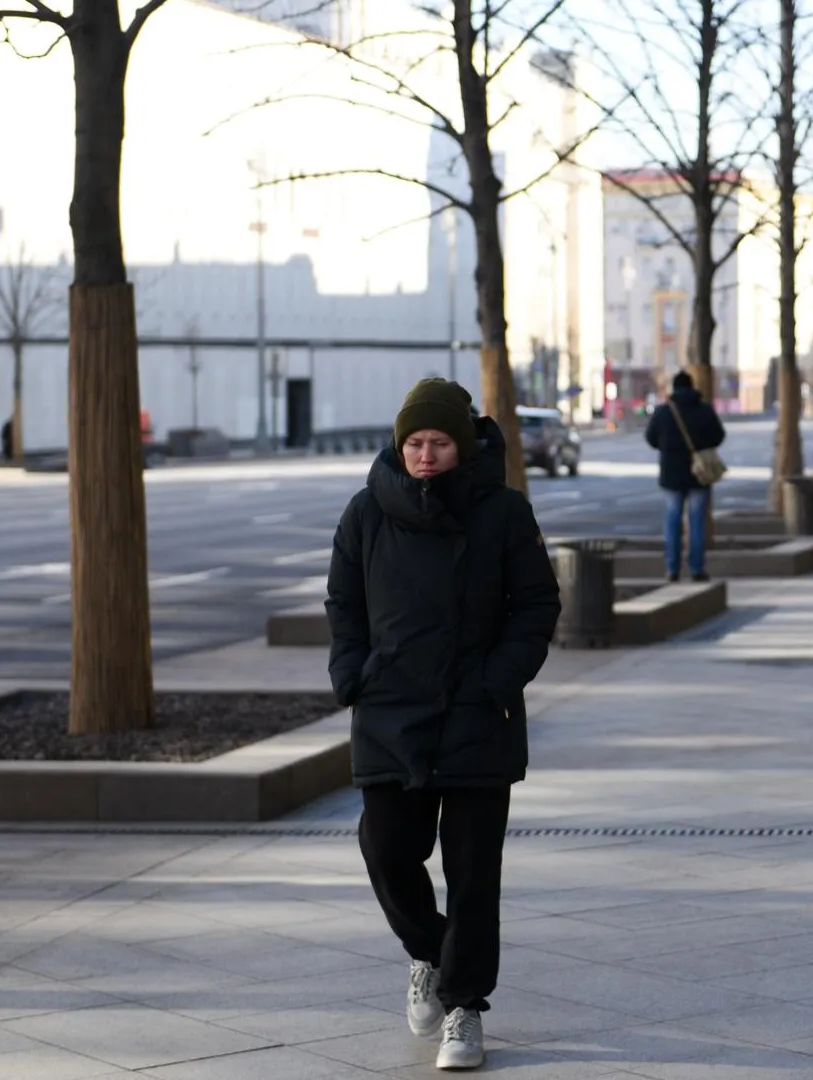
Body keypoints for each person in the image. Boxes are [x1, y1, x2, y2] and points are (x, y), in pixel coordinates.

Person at [325, 378, 562, 1071]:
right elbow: (345, 602)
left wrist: (496, 679)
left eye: (439, 442)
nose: (425, 455)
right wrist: (353, 674)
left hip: (477, 715)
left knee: (472, 872)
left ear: (463, 444)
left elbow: (537, 604)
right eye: (415, 443)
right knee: (386, 849)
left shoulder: (504, 513)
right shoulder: (366, 513)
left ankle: (465, 1008)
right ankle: (431, 951)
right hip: (391, 711)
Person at [645, 371, 727, 583]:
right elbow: (719, 436)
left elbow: (651, 438)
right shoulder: (705, 410)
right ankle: (697, 569)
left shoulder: (664, 412)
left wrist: (668, 447)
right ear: (692, 387)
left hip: (671, 474)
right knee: (696, 521)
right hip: (699, 473)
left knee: (672, 520)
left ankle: (672, 569)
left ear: (674, 387)